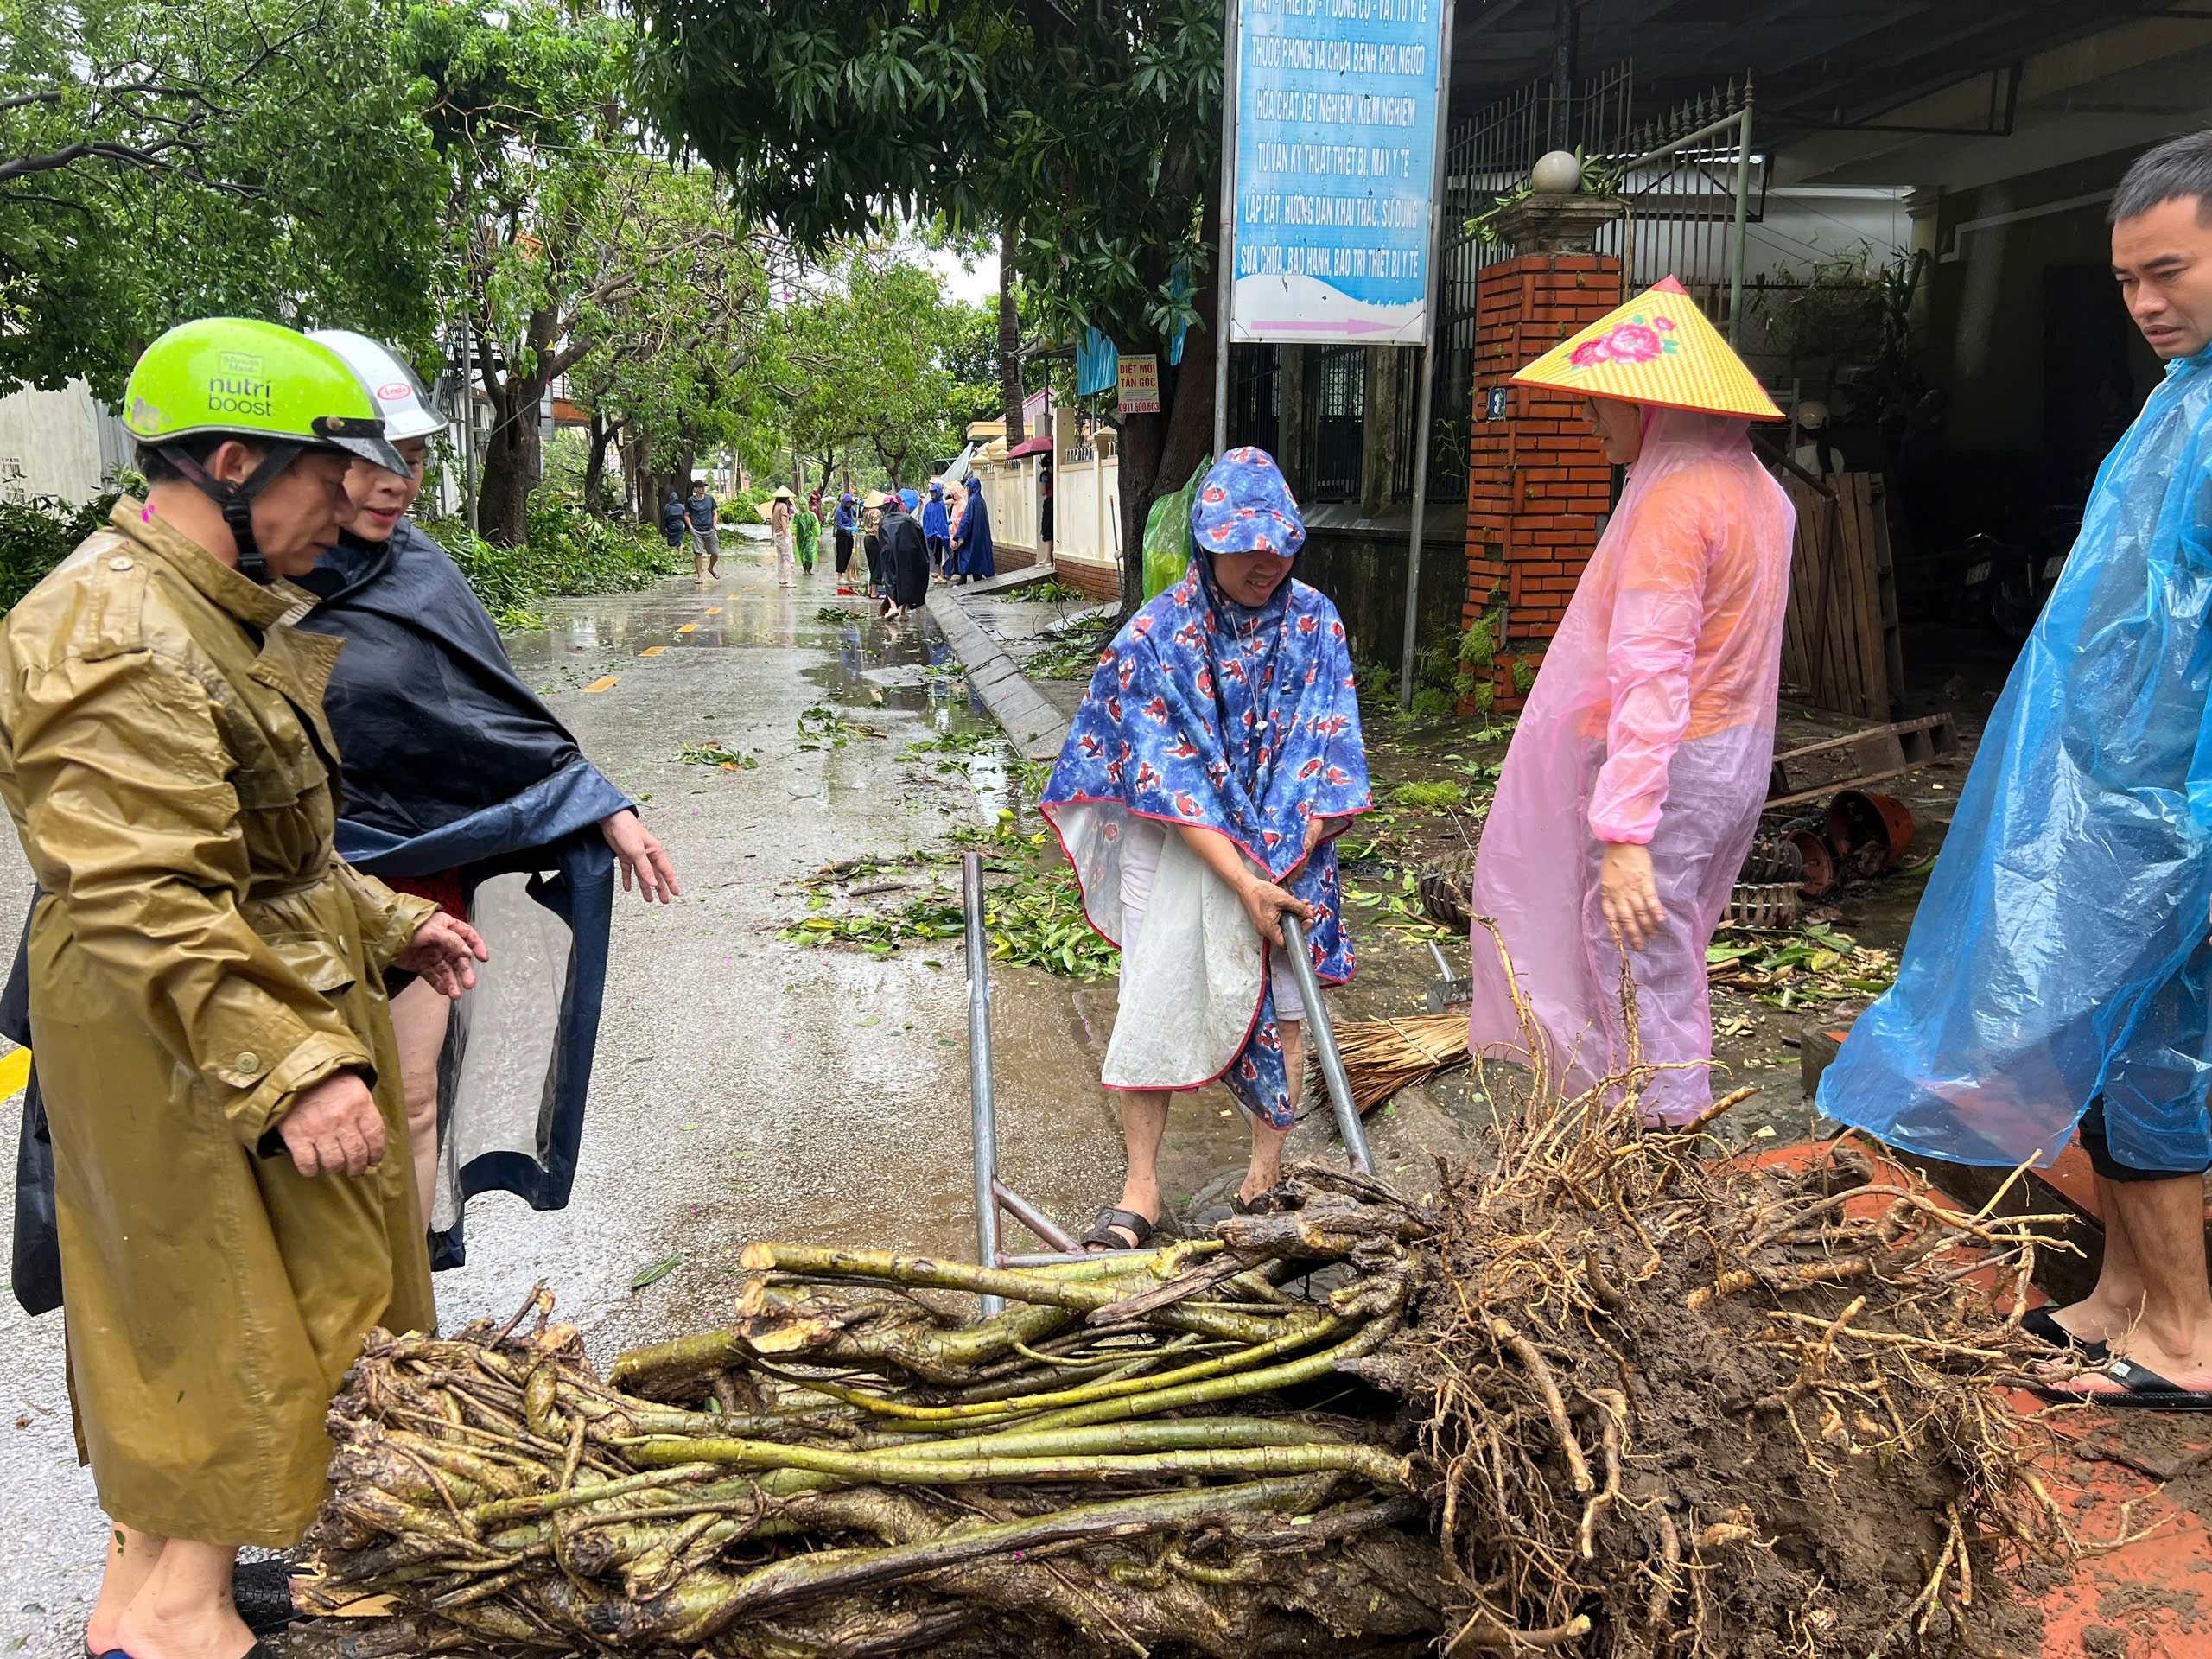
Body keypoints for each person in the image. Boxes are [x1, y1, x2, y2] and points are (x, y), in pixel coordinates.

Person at [0, 318, 486, 1659]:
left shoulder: (198, 608)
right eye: (325, 480)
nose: (348, 509)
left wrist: (385, 922)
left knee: (196, 1326)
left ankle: (140, 1606)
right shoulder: (113, 629)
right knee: (248, 1319)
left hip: (206, 1014)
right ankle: (177, 1627)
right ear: (229, 462)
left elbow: (265, 845)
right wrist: (296, 1067)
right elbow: (148, 889)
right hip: (191, 1036)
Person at [1817, 132, 2212, 1408]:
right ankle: (2123, 1299)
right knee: (2104, 1048)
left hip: (2173, 822)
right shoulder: (2181, 402)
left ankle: (2183, 1343)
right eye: (2126, 283)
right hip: (2115, 803)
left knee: (2157, 1054)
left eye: (2170, 272)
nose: (2146, 305)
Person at [292, 330, 679, 1263]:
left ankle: (404, 1313)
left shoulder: (420, 570)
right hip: (285, 894)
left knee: (412, 1097)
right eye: (370, 458)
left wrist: (597, 803)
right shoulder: (242, 583)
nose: (397, 480)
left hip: (421, 884)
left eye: (415, 456)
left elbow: (489, 717)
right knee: (297, 1123)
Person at [1464, 277, 1794, 1127]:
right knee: (1671, 940)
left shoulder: (1675, 503)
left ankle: (1656, 1123)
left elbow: (1654, 674)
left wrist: (1623, 832)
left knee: (1633, 941)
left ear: (1650, 404)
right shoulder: (1763, 493)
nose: (1591, 421)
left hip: (1673, 761)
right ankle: (1656, 1111)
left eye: (1601, 404)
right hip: (1732, 757)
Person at [1039, 448, 1370, 1249]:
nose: (1266, 560)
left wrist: (1281, 857)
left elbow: (1326, 757)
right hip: (1185, 850)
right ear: (1207, 543)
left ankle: (1265, 1181)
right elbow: (1166, 772)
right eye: (1244, 545)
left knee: (1288, 1008)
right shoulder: (1159, 636)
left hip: (1292, 852)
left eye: (1279, 543)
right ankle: (1141, 1190)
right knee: (1154, 997)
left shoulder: (1315, 621)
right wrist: (1236, 872)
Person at [881, 486, 930, 620]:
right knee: (906, 580)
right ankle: (903, 612)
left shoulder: (884, 522)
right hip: (908, 554)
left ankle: (893, 607)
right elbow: (919, 531)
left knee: (890, 580)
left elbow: (883, 543)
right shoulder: (907, 518)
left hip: (890, 555)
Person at [950, 472, 995, 583]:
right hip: (980, 537)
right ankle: (977, 580)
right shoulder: (981, 501)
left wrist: (958, 536)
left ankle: (963, 578)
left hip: (972, 537)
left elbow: (966, 520)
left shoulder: (973, 501)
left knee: (966, 556)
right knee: (978, 559)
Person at [685, 477, 720, 579]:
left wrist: (714, 525)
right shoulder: (690, 501)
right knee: (698, 553)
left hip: (710, 529)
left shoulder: (710, 499)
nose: (703, 489)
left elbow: (715, 513)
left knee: (715, 553)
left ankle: (711, 568)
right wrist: (691, 528)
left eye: (704, 487)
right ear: (695, 489)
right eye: (700, 487)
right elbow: (686, 515)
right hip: (697, 531)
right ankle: (700, 576)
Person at [921, 477, 952, 573]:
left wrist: (942, 533)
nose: (932, 494)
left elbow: (944, 520)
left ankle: (943, 574)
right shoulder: (928, 505)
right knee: (935, 555)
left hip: (941, 536)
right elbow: (925, 519)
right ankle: (938, 572)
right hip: (931, 536)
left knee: (941, 555)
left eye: (934, 492)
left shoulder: (942, 505)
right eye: (931, 492)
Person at [769, 484, 797, 588]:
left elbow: (773, 522)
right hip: (783, 533)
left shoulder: (775, 506)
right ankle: (787, 580)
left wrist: (773, 535)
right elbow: (784, 523)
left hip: (776, 534)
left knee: (781, 558)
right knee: (788, 558)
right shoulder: (784, 506)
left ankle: (781, 578)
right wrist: (786, 537)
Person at [861, 489, 887, 597]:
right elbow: (876, 528)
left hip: (867, 538)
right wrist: (880, 541)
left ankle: (871, 589)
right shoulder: (877, 512)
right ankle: (875, 592)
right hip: (873, 539)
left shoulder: (866, 511)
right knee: (877, 565)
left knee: (872, 564)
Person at [833, 491, 859, 594]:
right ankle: (840, 576)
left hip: (849, 536)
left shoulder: (851, 510)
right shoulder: (839, 511)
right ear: (844, 502)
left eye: (851, 503)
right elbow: (839, 526)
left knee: (849, 555)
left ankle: (849, 575)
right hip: (842, 536)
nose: (849, 505)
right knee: (842, 555)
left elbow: (858, 515)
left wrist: (861, 507)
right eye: (848, 503)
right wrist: (849, 528)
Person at [793, 486, 820, 575]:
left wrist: (817, 535)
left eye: (804, 504)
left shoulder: (811, 515)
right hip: (800, 537)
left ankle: (810, 569)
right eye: (801, 505)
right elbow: (794, 525)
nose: (803, 506)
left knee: (809, 552)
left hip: (810, 536)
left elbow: (816, 525)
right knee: (802, 553)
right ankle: (805, 569)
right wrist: (793, 535)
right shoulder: (797, 516)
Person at [659, 486, 687, 552]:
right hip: (680, 525)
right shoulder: (682, 506)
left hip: (671, 525)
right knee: (680, 541)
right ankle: (680, 555)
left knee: (670, 541)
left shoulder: (667, 506)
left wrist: (666, 525)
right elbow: (685, 515)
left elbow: (665, 517)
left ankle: (670, 555)